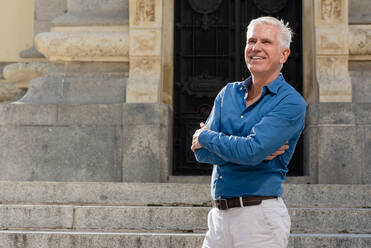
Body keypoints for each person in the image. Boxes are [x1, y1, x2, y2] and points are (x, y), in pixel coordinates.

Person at [191, 16, 306, 248]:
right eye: (251, 41)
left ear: (284, 54)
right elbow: (201, 154)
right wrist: (248, 150)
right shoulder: (228, 93)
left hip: (259, 220)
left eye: (266, 42)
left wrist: (205, 136)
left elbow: (249, 151)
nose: (256, 48)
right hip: (218, 219)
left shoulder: (291, 102)